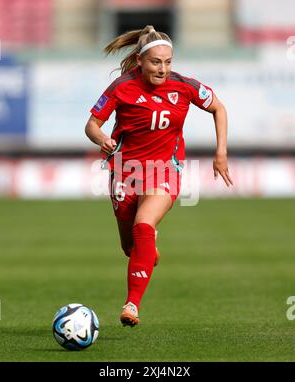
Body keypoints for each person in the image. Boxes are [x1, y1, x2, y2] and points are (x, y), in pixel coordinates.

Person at [85, 25, 233, 327]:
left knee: (143, 225)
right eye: (156, 62)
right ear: (140, 61)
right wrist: (101, 137)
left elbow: (219, 108)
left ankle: (131, 306)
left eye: (168, 62)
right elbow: (91, 124)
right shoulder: (122, 87)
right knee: (130, 247)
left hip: (165, 169)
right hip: (126, 171)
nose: (163, 68)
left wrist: (221, 152)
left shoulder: (185, 86)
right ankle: (146, 247)